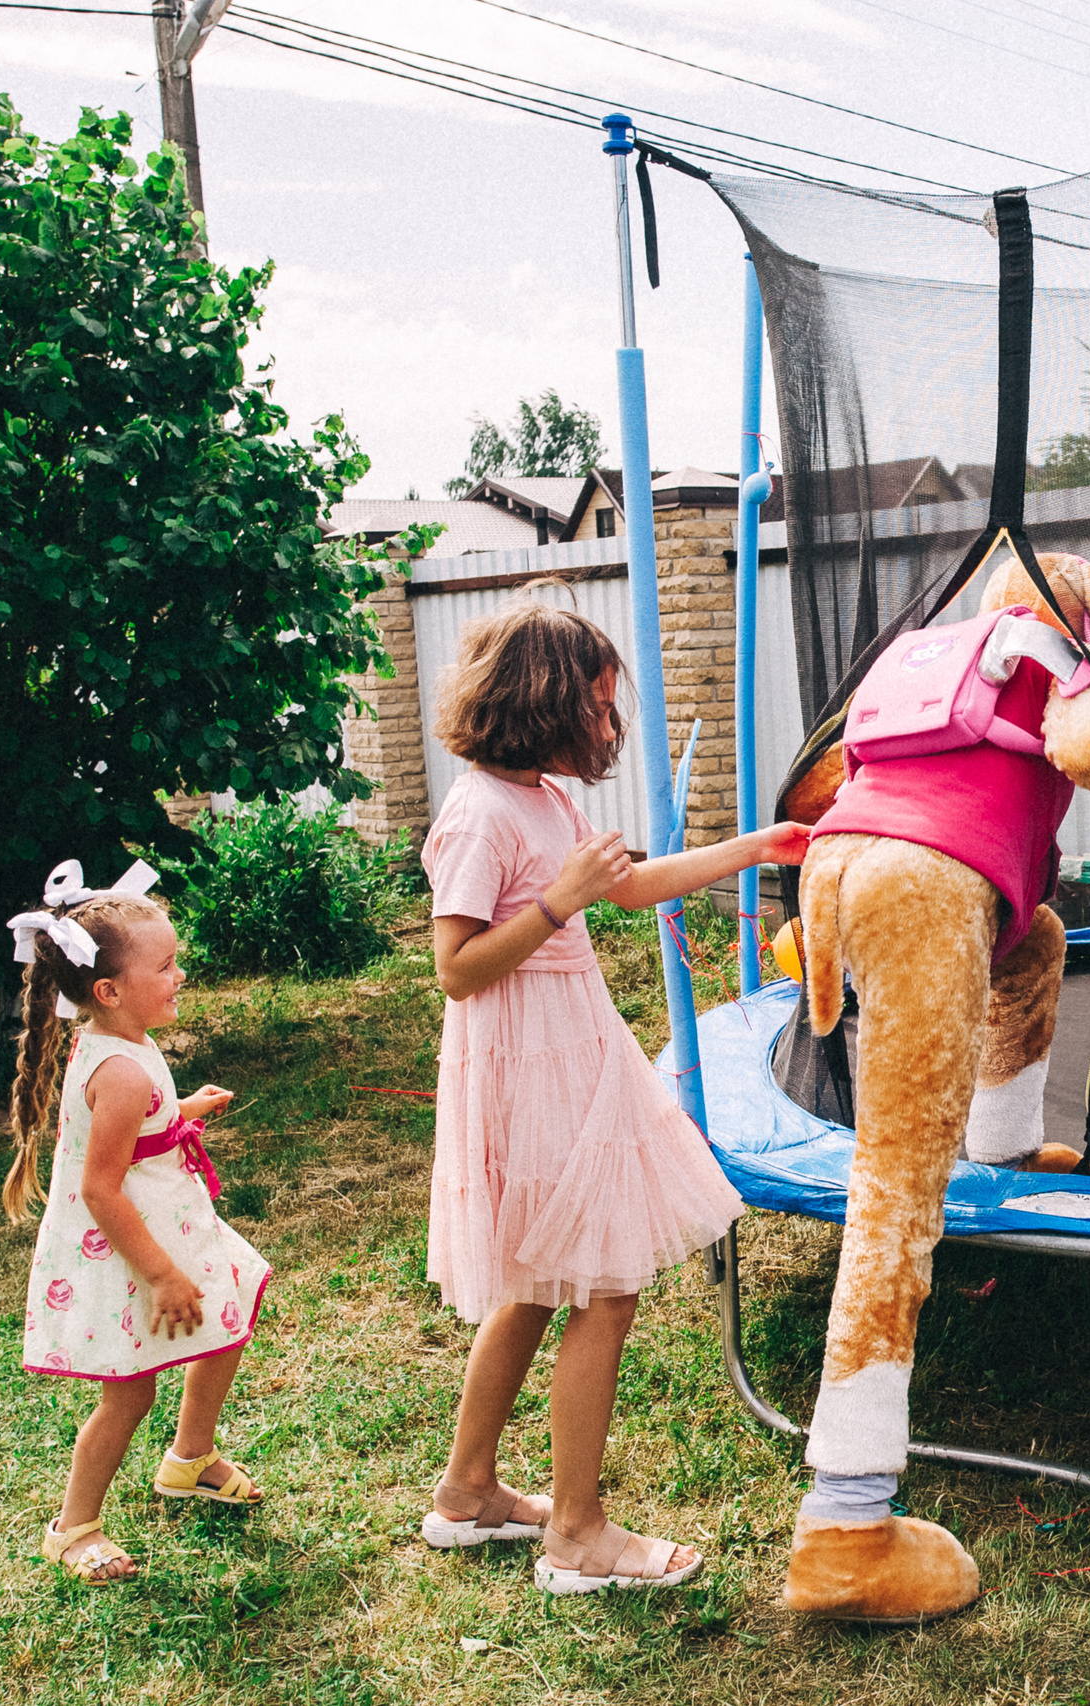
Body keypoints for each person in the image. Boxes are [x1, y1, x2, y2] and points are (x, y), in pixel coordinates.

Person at [422, 595, 810, 1595]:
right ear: (543, 702)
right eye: (597, 707)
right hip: (525, 1064)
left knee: (543, 1276)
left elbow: (627, 883)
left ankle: (466, 1491)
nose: (610, 725)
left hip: (571, 1049)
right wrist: (560, 900)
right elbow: (457, 968)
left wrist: (755, 847)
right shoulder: (477, 812)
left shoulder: (542, 796)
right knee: (601, 1278)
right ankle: (578, 1533)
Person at [4, 861, 269, 1585]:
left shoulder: (128, 1046)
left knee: (230, 1309)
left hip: (169, 1220)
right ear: (109, 990)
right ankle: (73, 1527)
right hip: (131, 1247)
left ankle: (190, 1459)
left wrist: (179, 1113)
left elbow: (125, 1136)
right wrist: (161, 1275)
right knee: (131, 1391)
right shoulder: (118, 1071)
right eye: (167, 965)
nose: (180, 974)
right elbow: (100, 1188)